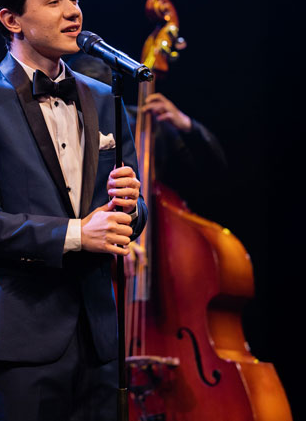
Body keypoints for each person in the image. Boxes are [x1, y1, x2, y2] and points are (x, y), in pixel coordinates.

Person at [0, 0, 148, 421]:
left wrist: (130, 211)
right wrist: (77, 234)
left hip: (98, 340)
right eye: (53, 0)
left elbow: (130, 215)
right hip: (20, 339)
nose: (73, 11)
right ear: (13, 19)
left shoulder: (102, 94)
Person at [65, 53, 228, 275]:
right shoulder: (58, 128)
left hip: (155, 251)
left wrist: (186, 125)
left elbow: (214, 171)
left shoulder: (139, 122)